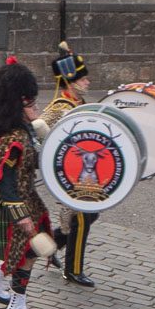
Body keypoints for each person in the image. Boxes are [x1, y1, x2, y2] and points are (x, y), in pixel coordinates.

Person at [0, 58, 50, 309]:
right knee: (27, 252)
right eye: (30, 102)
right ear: (18, 104)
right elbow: (4, 182)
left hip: (28, 198)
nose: (35, 107)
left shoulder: (23, 131)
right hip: (15, 203)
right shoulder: (13, 139)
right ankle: (16, 307)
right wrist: (21, 216)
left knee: (30, 250)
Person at [38, 41, 97, 288]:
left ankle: (49, 246)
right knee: (81, 217)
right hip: (68, 174)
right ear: (71, 82)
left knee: (89, 214)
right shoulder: (60, 107)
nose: (88, 82)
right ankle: (73, 270)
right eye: (83, 79)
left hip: (85, 171)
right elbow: (37, 129)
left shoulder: (80, 104)